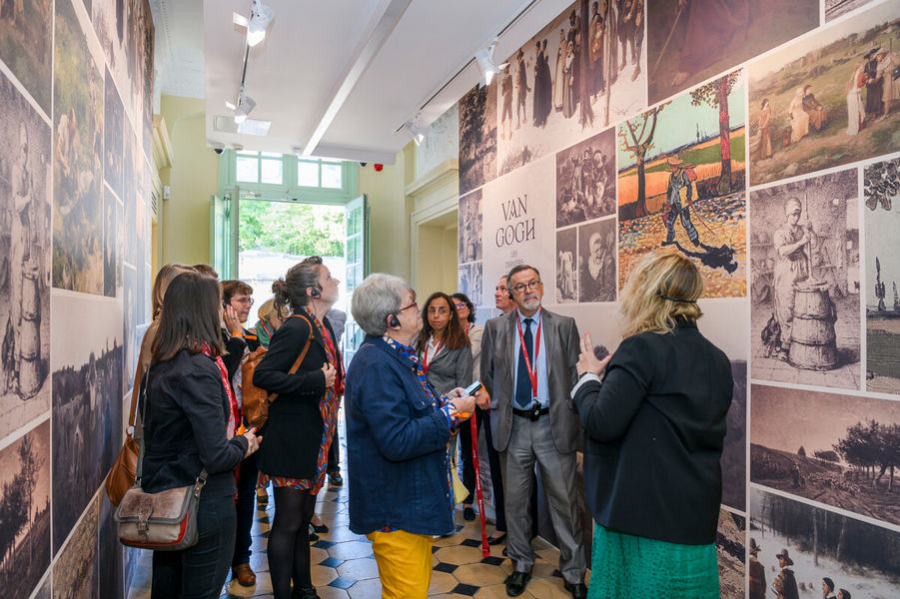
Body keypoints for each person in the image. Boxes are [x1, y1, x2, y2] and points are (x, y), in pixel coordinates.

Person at [572, 252, 732, 599]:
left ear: (644, 291)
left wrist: (587, 378)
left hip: (641, 522)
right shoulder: (717, 359)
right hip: (693, 522)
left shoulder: (640, 348)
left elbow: (601, 423)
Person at [344, 274, 482, 599]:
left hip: (410, 502)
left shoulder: (395, 355)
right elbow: (396, 440)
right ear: (392, 320)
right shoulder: (376, 364)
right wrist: (451, 414)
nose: (419, 311)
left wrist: (445, 401)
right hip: (395, 508)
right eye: (412, 304)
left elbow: (409, 412)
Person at [142, 271, 261, 599]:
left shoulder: (165, 360)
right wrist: (245, 442)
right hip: (201, 503)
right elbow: (217, 456)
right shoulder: (197, 368)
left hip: (169, 499)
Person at [481, 265, 587, 598]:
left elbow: (574, 378)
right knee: (514, 503)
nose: (528, 290)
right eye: (519, 286)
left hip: (552, 426)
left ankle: (573, 571)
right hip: (512, 426)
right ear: (511, 293)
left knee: (566, 502)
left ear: (541, 286)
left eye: (532, 283)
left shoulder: (563, 326)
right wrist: (482, 395)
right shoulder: (495, 328)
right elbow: (485, 376)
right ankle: (521, 564)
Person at [254, 257, 343, 599]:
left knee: (303, 519)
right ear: (312, 291)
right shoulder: (297, 326)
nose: (334, 281)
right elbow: (264, 376)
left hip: (313, 439)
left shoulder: (322, 325)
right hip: (290, 440)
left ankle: (305, 589)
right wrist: (315, 380)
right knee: (288, 522)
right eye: (328, 277)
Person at [416, 292, 474, 515]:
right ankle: (421, 512)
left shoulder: (461, 344)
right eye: (432, 310)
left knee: (442, 466)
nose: (436, 315)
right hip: (418, 413)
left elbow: (464, 388)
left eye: (442, 310)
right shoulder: (418, 340)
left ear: (451, 315)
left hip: (444, 415)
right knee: (420, 465)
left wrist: (454, 423)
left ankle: (441, 516)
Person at [221, 280, 262, 588]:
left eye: (250, 299)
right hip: (220, 429)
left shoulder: (252, 336)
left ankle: (242, 559)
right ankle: (219, 559)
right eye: (241, 300)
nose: (248, 305)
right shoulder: (214, 338)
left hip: (248, 425)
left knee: (246, 493)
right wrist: (236, 340)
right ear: (224, 305)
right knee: (221, 497)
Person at [450, 292, 485, 523]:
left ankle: (469, 501)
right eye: (454, 306)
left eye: (461, 304)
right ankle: (452, 498)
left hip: (474, 401)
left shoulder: (478, 332)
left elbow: (465, 356)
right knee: (452, 450)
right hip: (453, 400)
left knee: (471, 451)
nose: (459, 308)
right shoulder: (449, 336)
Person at [772, 197, 818, 360]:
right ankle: (785, 345)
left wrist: (811, 231)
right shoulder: (780, 232)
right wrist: (800, 243)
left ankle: (801, 341)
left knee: (804, 305)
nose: (796, 217)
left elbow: (814, 244)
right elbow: (782, 251)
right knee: (787, 307)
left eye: (798, 214)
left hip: (803, 270)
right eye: (793, 214)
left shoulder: (802, 229)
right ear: (787, 213)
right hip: (787, 272)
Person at [663, 156, 700, 247]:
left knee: (686, 223)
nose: (673, 167)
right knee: (669, 222)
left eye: (675, 165)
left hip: (682, 203)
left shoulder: (683, 174)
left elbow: (689, 186)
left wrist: (689, 197)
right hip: (674, 203)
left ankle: (695, 239)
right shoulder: (671, 177)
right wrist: (668, 202)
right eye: (672, 165)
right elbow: (669, 190)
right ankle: (669, 240)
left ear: (677, 165)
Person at [580, 230, 615, 302]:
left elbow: (608, 291)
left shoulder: (608, 260)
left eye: (600, 249)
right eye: (596, 250)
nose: (599, 253)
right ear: (591, 251)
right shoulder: (587, 264)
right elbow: (584, 290)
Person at [876, 49, 900, 118]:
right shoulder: (880, 64)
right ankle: (886, 114)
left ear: (882, 55)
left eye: (878, 56)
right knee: (887, 96)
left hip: (897, 76)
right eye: (877, 57)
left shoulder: (890, 56)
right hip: (888, 79)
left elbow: (898, 62)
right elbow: (878, 75)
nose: (877, 58)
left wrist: (893, 57)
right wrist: (874, 80)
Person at [846, 61, 866, 137]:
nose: (863, 66)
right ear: (860, 66)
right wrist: (865, 81)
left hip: (850, 95)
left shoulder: (854, 73)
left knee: (853, 111)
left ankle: (854, 126)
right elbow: (859, 84)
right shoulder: (860, 73)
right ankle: (859, 127)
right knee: (857, 109)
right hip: (855, 95)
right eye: (862, 65)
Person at [864, 48, 883, 119]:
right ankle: (873, 113)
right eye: (872, 55)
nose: (873, 56)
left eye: (875, 54)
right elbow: (865, 73)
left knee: (879, 96)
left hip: (877, 81)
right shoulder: (867, 64)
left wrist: (876, 72)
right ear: (870, 56)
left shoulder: (878, 62)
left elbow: (881, 70)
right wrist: (867, 78)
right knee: (871, 98)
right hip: (870, 83)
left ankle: (880, 110)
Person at [515, 49, 531, 129]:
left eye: (518, 58)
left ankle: (523, 118)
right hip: (520, 88)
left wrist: (525, 87)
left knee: (522, 103)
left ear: (520, 58)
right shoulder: (520, 66)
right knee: (519, 104)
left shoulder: (522, 65)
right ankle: (519, 121)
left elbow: (524, 78)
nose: (518, 60)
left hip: (522, 88)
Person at [554, 28, 567, 112]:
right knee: (558, 83)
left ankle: (561, 103)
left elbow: (564, 54)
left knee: (561, 83)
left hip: (562, 64)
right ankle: (557, 103)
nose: (561, 36)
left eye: (562, 34)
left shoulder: (564, 43)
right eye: (560, 34)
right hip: (559, 65)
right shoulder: (560, 43)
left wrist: (563, 65)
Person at [501, 68, 514, 140]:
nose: (505, 71)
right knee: (506, 113)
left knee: (508, 113)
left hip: (508, 97)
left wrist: (508, 92)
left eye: (506, 69)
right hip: (506, 97)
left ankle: (509, 132)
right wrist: (503, 86)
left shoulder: (509, 77)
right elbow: (502, 93)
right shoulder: (504, 79)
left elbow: (511, 88)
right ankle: (505, 133)